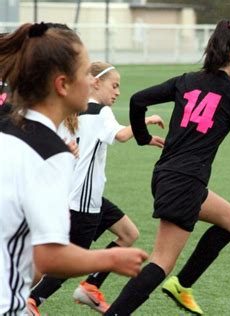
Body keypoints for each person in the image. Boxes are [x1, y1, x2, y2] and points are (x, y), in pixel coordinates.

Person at [104, 20, 230, 316]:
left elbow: (138, 100)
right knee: (160, 262)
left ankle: (183, 285)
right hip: (185, 182)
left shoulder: (186, 81)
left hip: (167, 175)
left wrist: (142, 138)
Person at [0, 22, 148, 316]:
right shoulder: (50, 153)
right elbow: (49, 257)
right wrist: (110, 260)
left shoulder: (11, 128)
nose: (91, 81)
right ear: (62, 84)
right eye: (85, 73)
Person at [27, 62, 165, 315]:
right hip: (82, 201)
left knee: (128, 233)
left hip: (84, 196)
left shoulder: (74, 111)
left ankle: (90, 286)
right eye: (114, 85)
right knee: (70, 262)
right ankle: (32, 299)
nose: (118, 92)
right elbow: (121, 135)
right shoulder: (100, 112)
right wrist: (146, 121)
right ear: (95, 83)